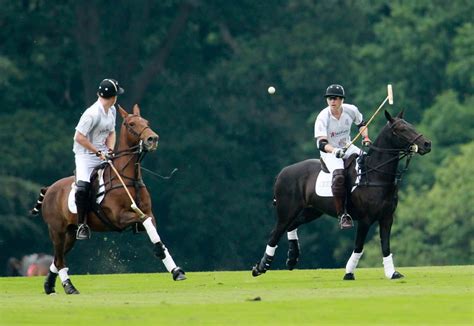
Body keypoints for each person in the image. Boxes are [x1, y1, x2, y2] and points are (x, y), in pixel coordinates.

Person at [314, 84, 371, 229]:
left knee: (369, 162)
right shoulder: (323, 117)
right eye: (329, 98)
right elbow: (321, 143)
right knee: (339, 176)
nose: (332, 101)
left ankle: (369, 199)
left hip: (347, 145)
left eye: (335, 98)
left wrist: (365, 137)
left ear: (342, 100)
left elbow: (361, 124)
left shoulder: (351, 110)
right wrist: (334, 151)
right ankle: (343, 215)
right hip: (329, 152)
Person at [73, 78, 124, 240]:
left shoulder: (112, 111)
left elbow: (112, 132)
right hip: (85, 157)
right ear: (114, 96)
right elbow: (79, 137)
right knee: (82, 188)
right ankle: (82, 225)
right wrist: (97, 152)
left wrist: (110, 149)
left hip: (103, 153)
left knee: (123, 178)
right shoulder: (91, 114)